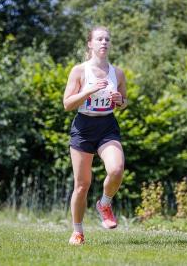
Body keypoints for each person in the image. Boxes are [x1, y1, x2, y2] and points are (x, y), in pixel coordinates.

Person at [63, 26, 128, 245]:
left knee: (117, 169)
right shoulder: (79, 71)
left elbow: (124, 101)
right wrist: (89, 90)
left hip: (107, 126)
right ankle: (78, 231)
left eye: (107, 39)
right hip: (83, 127)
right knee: (82, 185)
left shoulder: (117, 73)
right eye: (99, 39)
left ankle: (105, 204)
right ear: (90, 44)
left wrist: (120, 101)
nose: (104, 43)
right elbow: (67, 104)